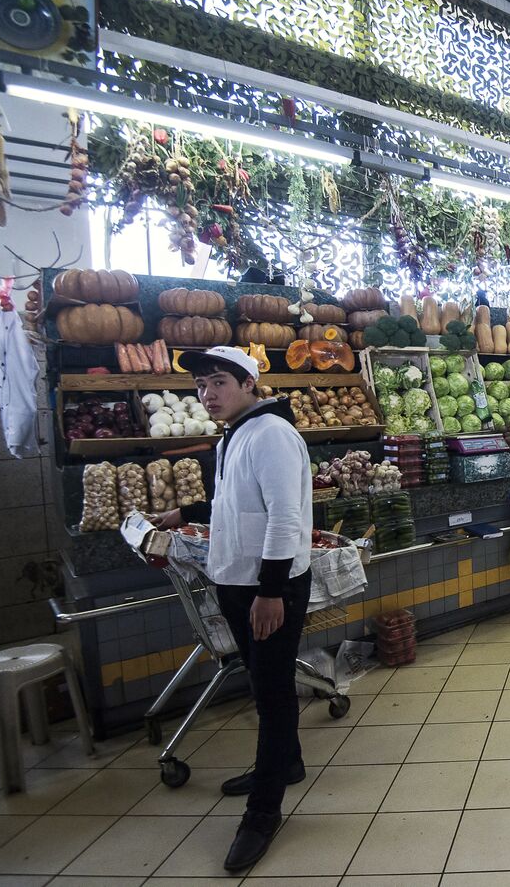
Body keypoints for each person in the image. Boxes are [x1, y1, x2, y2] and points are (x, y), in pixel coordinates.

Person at [154, 346, 313, 872]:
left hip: (268, 587)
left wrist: (269, 591)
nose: (208, 394)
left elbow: (285, 519)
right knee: (264, 683)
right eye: (201, 385)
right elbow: (240, 503)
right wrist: (186, 512)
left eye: (219, 381)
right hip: (239, 581)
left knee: (270, 696)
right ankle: (285, 762)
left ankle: (262, 814)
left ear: (249, 383)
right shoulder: (238, 434)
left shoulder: (271, 435)